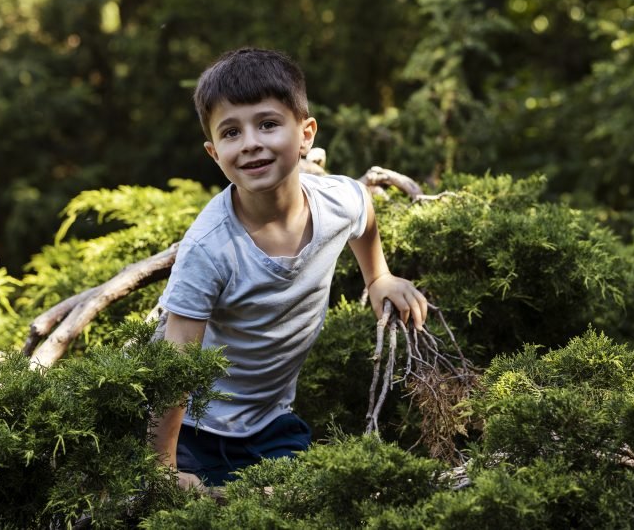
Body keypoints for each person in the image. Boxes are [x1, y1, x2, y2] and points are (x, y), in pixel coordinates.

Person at [150, 46, 428, 491]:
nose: (251, 143)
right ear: (213, 153)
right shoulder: (209, 248)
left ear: (306, 134)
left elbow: (365, 214)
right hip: (195, 431)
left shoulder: (339, 200)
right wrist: (162, 468)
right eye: (231, 132)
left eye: (267, 124)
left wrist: (378, 277)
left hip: (271, 422)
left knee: (296, 503)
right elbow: (175, 366)